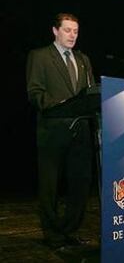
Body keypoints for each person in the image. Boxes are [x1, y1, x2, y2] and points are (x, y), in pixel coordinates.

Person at [26, 13, 95, 250]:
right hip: (53, 131)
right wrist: (61, 105)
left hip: (81, 132)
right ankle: (52, 234)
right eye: (67, 30)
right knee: (50, 186)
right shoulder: (40, 56)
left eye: (75, 31)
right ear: (55, 31)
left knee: (80, 185)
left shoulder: (83, 59)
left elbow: (90, 93)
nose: (72, 35)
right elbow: (35, 93)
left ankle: (69, 230)